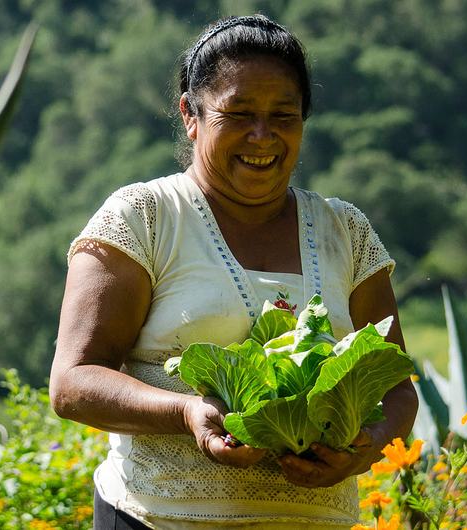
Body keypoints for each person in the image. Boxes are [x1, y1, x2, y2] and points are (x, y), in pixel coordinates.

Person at [50, 14, 418, 530]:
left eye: (283, 115)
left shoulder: (345, 231)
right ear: (190, 114)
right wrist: (184, 413)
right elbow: (73, 382)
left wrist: (369, 447)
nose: (262, 135)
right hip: (156, 519)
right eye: (238, 112)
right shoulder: (143, 218)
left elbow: (397, 386)